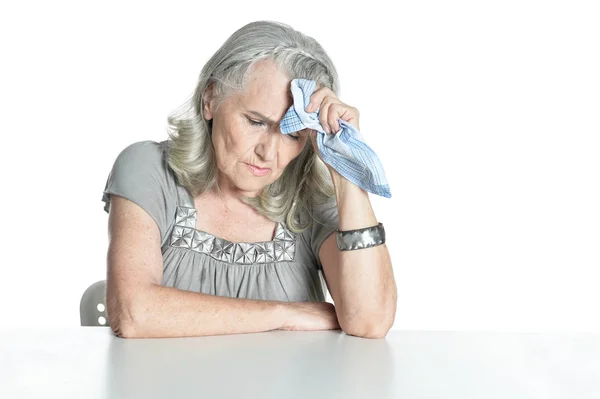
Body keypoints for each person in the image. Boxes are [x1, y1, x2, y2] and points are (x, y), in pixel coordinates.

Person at [102, 20, 397, 340]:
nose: (268, 153)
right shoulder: (150, 169)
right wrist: (284, 313)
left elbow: (370, 322)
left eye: (294, 135)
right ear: (210, 99)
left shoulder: (310, 200)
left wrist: (346, 170)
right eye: (256, 122)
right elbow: (134, 313)